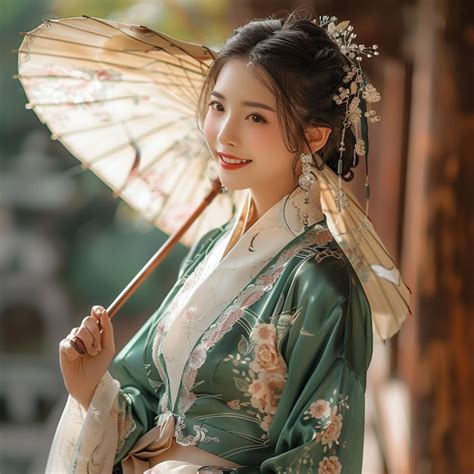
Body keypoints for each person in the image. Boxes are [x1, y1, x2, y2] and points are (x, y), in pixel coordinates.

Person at [46, 12, 393, 474]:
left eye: (255, 116)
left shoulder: (323, 281)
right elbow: (147, 398)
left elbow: (318, 457)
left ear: (313, 136)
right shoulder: (210, 245)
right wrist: (93, 385)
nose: (225, 134)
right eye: (217, 106)